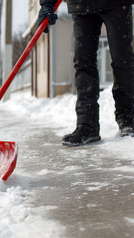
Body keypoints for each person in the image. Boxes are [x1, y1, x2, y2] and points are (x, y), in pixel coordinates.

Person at [38, 0, 134, 146]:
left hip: (116, 3)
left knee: (122, 60)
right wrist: (47, 3)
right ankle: (87, 125)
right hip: (81, 5)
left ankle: (128, 119)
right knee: (83, 63)